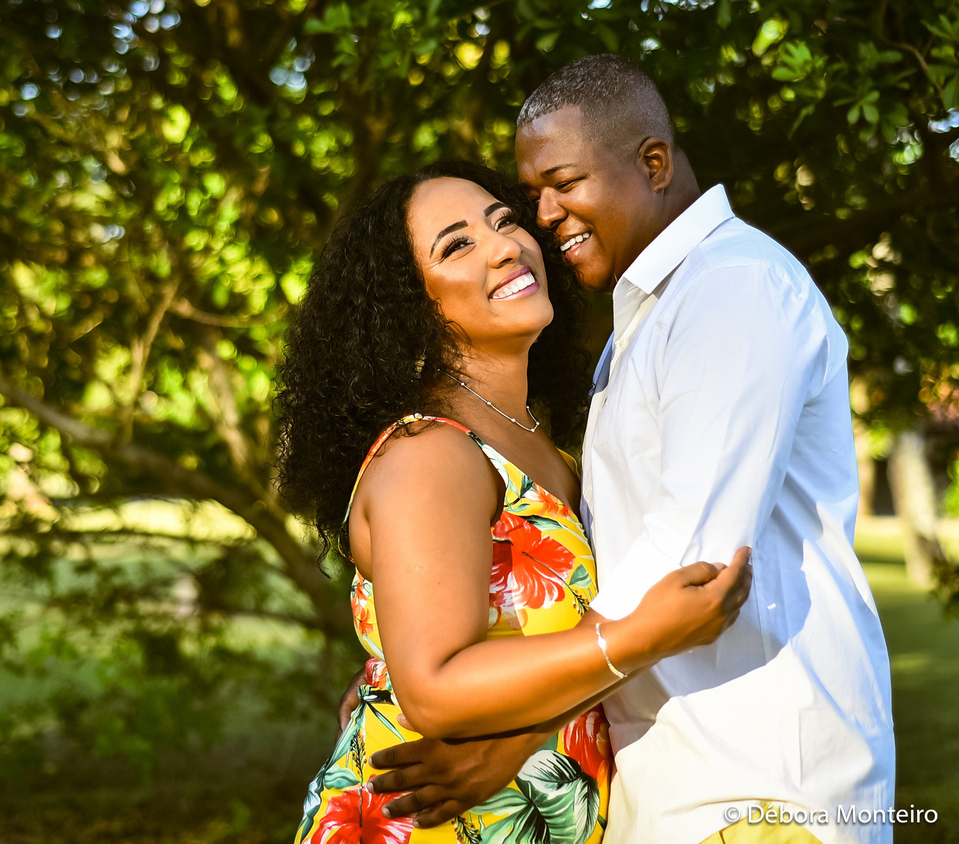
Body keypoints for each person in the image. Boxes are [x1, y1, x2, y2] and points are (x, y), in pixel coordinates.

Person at [364, 55, 896, 844]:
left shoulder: (731, 290)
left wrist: (506, 743)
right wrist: (394, 652)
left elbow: (691, 568)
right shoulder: (647, 316)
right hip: (674, 780)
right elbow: (593, 570)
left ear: (652, 163)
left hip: (757, 782)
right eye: (530, 197)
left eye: (562, 184)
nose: (540, 216)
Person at [278, 158, 752, 844]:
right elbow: (435, 686)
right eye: (457, 244)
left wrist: (528, 727)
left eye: (503, 220)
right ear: (410, 304)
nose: (505, 244)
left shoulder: (546, 446)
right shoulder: (431, 454)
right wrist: (644, 636)